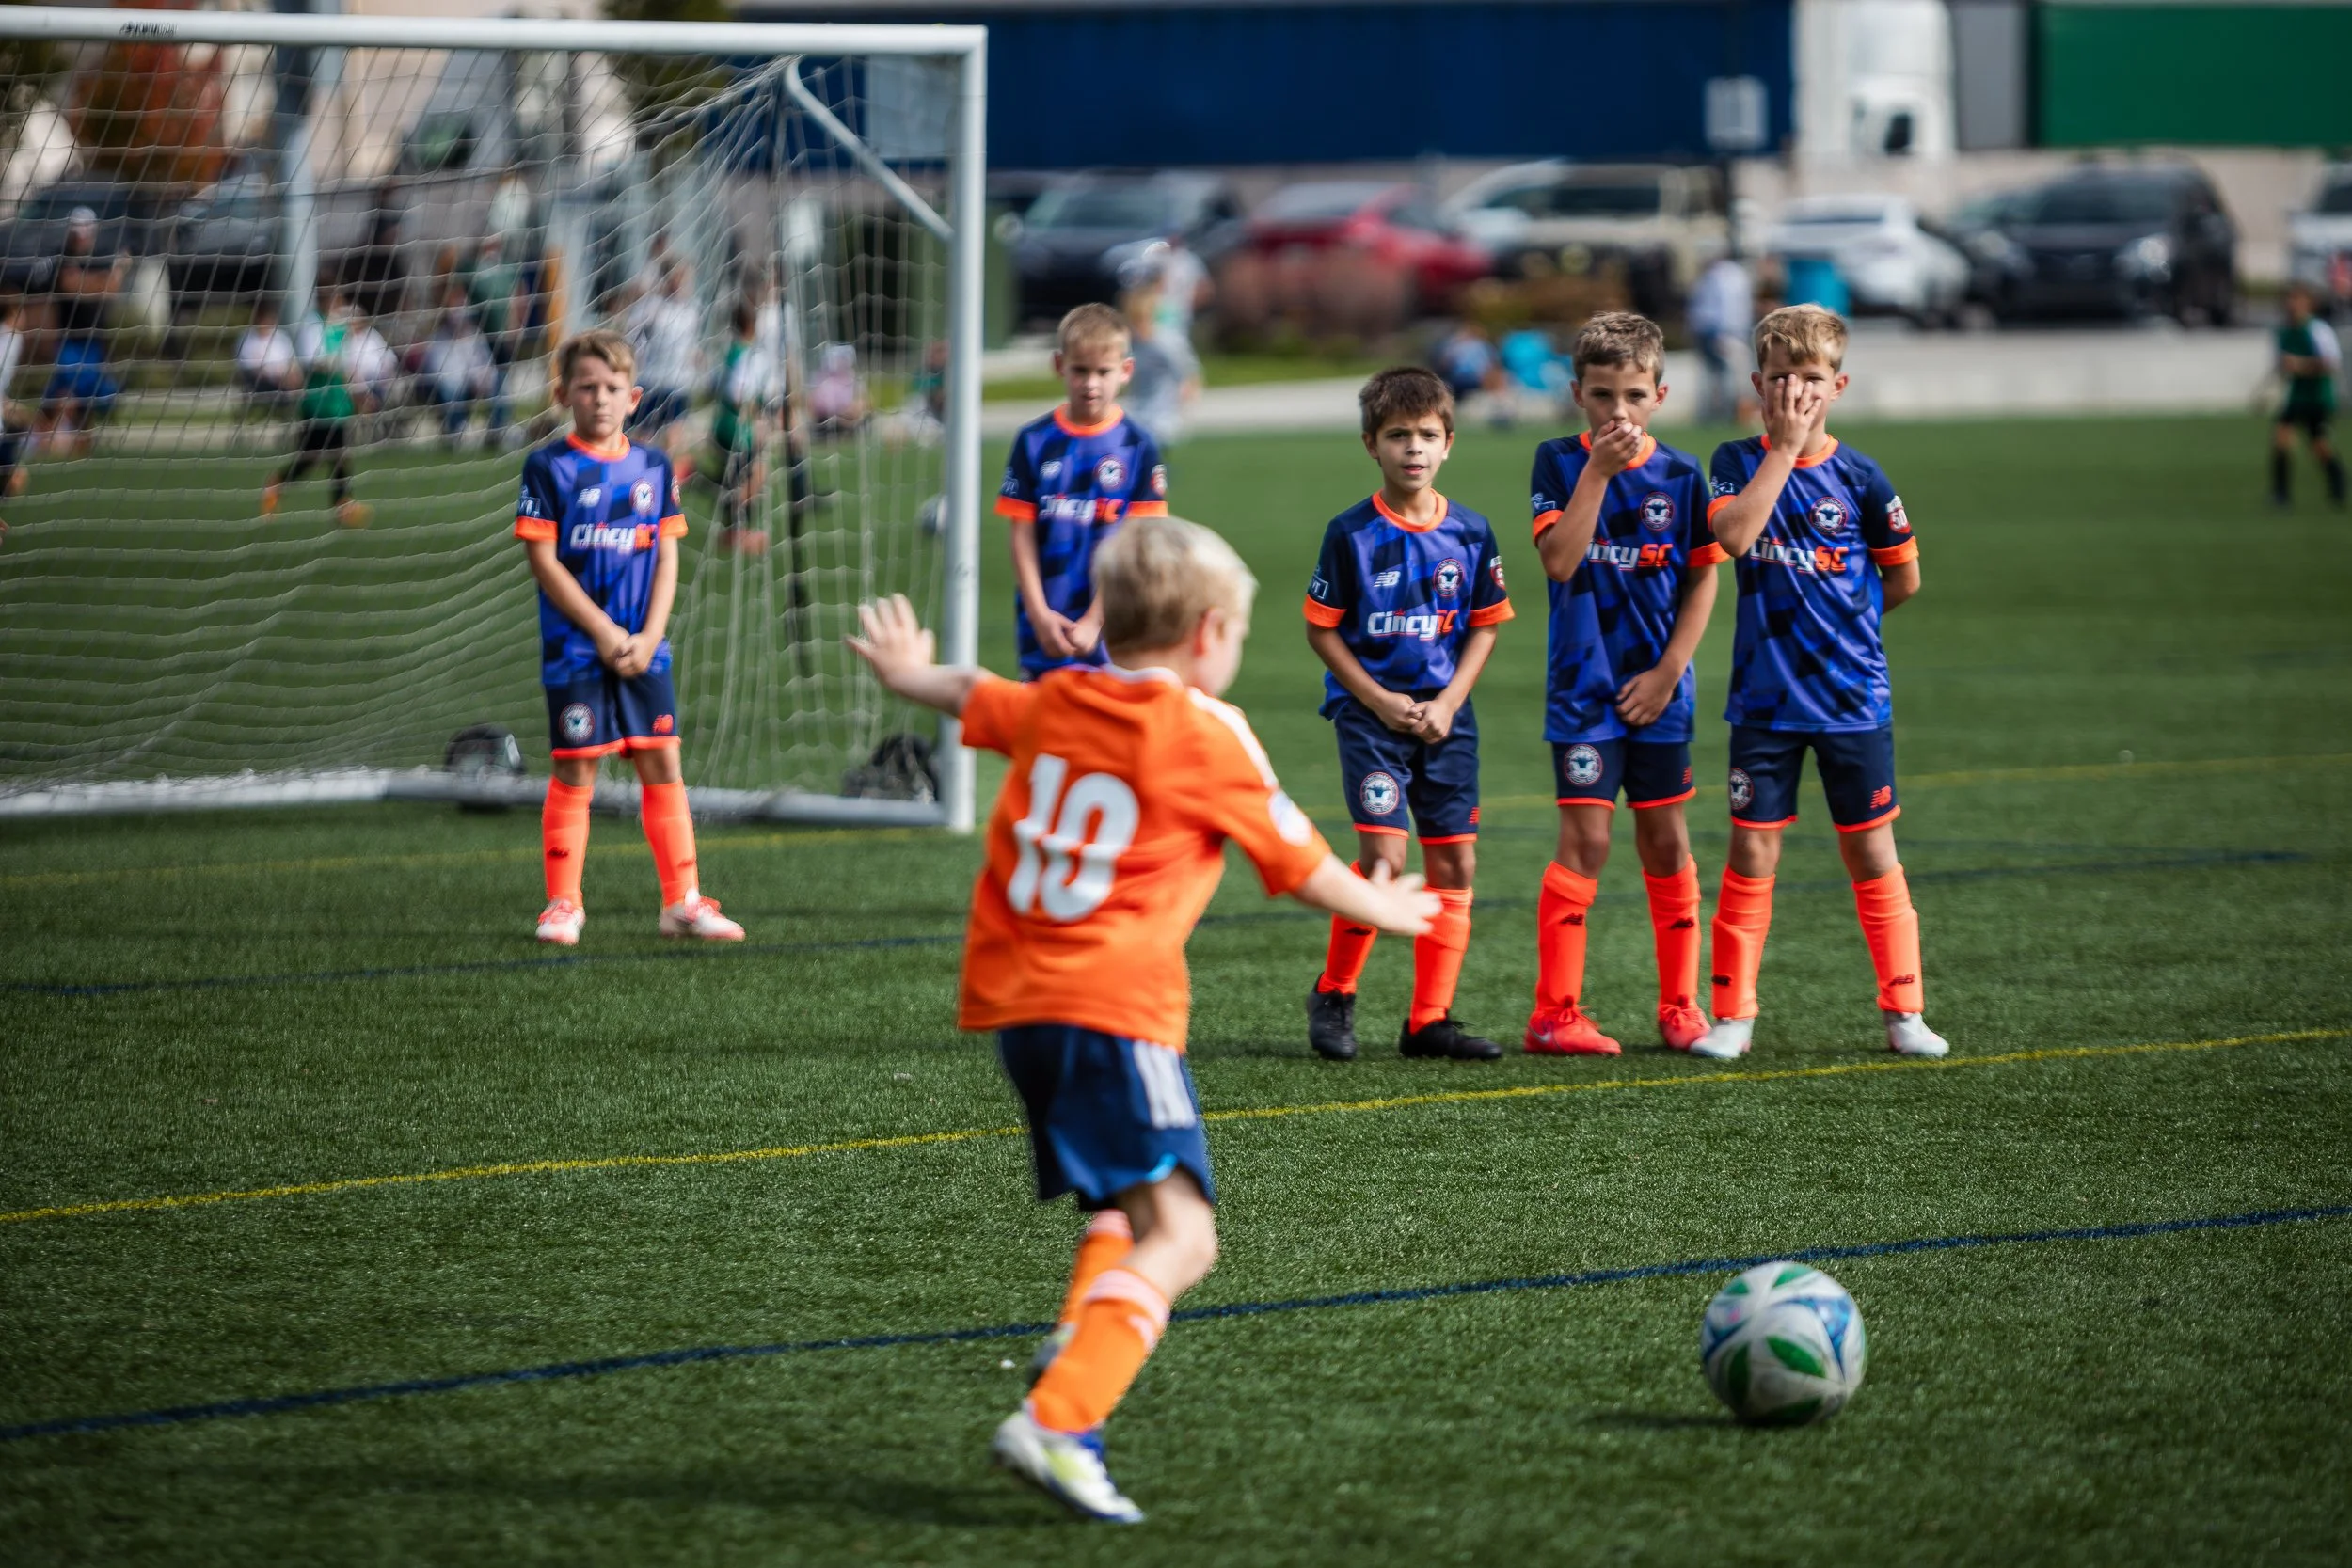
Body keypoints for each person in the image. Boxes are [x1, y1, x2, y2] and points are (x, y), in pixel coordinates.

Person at [842, 518, 1439, 1524]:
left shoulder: (1059, 698)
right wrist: (1390, 905)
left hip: (1019, 1011)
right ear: (1211, 633)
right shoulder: (1205, 730)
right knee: (1186, 1236)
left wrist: (909, 674)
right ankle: (1060, 1414)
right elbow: (1299, 866)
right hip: (1115, 1011)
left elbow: (972, 694)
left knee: (1118, 1210)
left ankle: (1079, 1331)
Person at [1695, 304, 1947, 1061]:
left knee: (1872, 851)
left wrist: (1850, 627)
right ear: (1756, 386)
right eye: (1781, 379)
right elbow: (1735, 536)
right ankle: (1734, 1015)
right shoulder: (1738, 459)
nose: (1796, 393)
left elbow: (1903, 577)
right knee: (1752, 853)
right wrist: (1782, 449)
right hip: (1765, 702)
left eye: (1811, 380)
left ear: (1837, 384)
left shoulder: (1864, 477)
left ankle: (1905, 1013)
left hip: (1851, 699)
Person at [1525, 312, 1724, 1056]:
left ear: (1660, 395)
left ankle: (1680, 1005)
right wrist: (1599, 474)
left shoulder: (1682, 475)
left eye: (1634, 394)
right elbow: (1560, 561)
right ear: (1577, 392)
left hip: (1662, 690)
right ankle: (1554, 1013)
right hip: (1584, 689)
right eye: (1602, 394)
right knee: (1588, 836)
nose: (1618, 411)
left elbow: (1703, 578)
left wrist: (1670, 671)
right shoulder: (1556, 462)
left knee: (1667, 839)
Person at [1302, 366, 1515, 1063]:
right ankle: (1335, 992)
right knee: (1385, 857)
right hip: (1373, 719)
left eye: (1427, 435)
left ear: (1449, 441)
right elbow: (1322, 628)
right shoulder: (1351, 532)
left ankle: (1430, 1020)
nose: (1413, 449)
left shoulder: (1472, 531)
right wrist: (1380, 701)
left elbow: (1486, 623)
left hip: (1446, 720)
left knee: (1455, 861)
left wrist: (1448, 702)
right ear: (1371, 443)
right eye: (1398, 435)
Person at [516, 330, 744, 949]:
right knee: (577, 766)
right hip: (578, 649)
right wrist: (607, 631)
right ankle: (564, 903)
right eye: (586, 388)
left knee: (662, 759)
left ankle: (683, 901)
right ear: (563, 394)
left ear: (634, 396)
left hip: (645, 648)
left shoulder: (653, 466)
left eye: (612, 388)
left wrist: (649, 635)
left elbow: (668, 557)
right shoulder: (548, 466)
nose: (600, 399)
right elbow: (545, 562)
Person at [993, 303, 1168, 677]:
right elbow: (1021, 536)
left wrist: (1095, 620)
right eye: (1080, 371)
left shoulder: (1138, 446)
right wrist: (1039, 614)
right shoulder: (1034, 441)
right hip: (1044, 627)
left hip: (1116, 628)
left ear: (1125, 371)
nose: (1091, 383)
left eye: (1103, 372)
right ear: (1060, 366)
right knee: (1045, 730)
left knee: (1108, 731)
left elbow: (1138, 545)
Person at [262, 285, 373, 529]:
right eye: (334, 298)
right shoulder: (313, 325)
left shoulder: (338, 327)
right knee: (312, 459)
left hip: (338, 403)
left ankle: (343, 505)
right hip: (318, 403)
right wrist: (335, 362)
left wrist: (359, 393)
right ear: (324, 298)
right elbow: (313, 360)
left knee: (340, 455)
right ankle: (277, 483)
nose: (337, 303)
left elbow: (348, 366)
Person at [40, 207, 123, 455]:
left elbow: (111, 288)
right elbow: (73, 286)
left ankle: (82, 445)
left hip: (94, 340)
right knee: (64, 392)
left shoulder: (99, 257)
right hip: (69, 340)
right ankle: (44, 439)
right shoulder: (62, 258)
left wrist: (103, 281)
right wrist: (106, 279)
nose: (82, 237)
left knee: (91, 396)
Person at [709, 296, 781, 553]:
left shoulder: (730, 351)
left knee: (738, 477)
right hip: (738, 429)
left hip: (723, 425)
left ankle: (734, 528)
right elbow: (738, 394)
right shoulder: (748, 355)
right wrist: (759, 419)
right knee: (755, 475)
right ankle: (737, 530)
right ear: (752, 324)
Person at [2272, 281, 2343, 508]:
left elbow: (2331, 364)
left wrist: (2300, 365)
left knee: (2319, 447)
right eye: (2290, 299)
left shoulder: (2318, 330)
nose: (2292, 304)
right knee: (2281, 439)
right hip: (2296, 396)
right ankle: (2281, 495)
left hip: (2317, 396)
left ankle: (2338, 483)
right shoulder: (2284, 332)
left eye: (2298, 300)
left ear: (2309, 304)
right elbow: (2284, 366)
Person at [624, 259, 699, 463]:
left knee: (675, 435)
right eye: (679, 279)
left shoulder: (690, 311)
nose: (683, 285)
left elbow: (689, 343)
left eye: (686, 281)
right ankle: (637, 472)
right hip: (651, 380)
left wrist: (695, 356)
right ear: (668, 280)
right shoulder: (651, 307)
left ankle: (667, 480)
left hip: (678, 382)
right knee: (644, 435)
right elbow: (631, 336)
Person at [1118, 276, 1200, 449]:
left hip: (1162, 415)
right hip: (1139, 410)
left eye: (1143, 319)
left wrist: (1184, 399)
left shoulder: (1165, 343)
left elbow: (1188, 374)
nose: (1139, 327)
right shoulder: (1132, 345)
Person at [421, 284, 498, 446]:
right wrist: (465, 379)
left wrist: (481, 378)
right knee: (452, 389)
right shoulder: (439, 338)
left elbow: (485, 362)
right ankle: (457, 431)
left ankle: (497, 429)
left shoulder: (474, 335)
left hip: (473, 382)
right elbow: (438, 369)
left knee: (498, 384)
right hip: (449, 385)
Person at [1688, 250, 1757, 425]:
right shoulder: (1726, 276)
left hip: (1721, 332)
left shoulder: (1721, 276)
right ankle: (1730, 415)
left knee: (1726, 377)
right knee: (1732, 377)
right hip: (1725, 333)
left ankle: (1729, 414)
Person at [234, 297, 302, 421]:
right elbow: (249, 368)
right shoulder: (247, 339)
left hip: (285, 380)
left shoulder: (281, 337)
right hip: (259, 383)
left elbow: (292, 362)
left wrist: (293, 375)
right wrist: (273, 375)